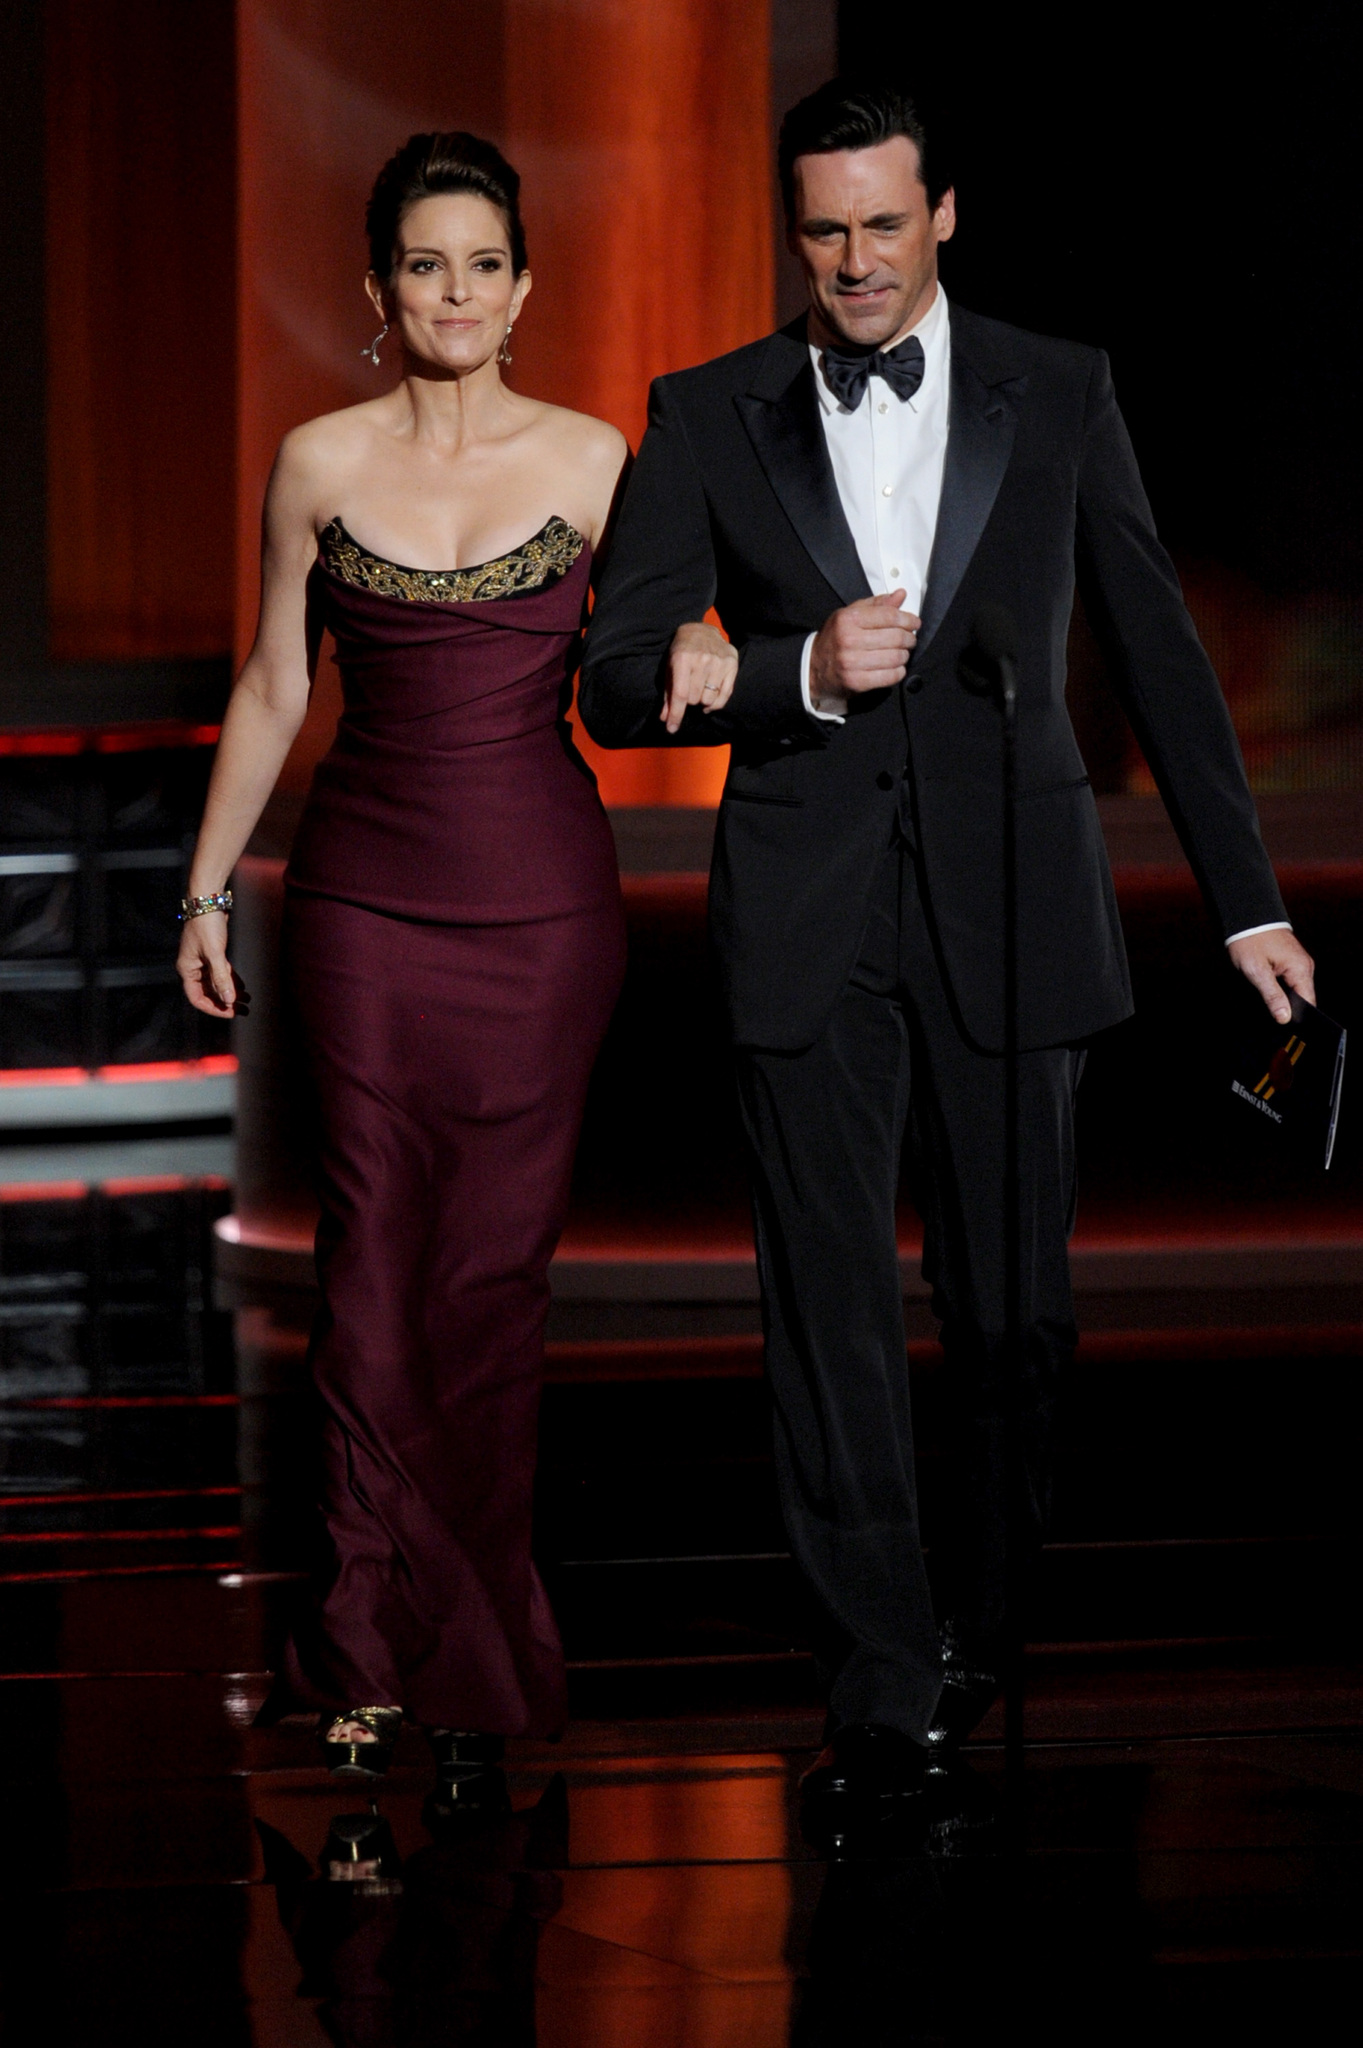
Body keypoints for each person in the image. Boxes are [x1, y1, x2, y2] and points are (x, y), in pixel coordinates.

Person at [579, 80, 1314, 1826]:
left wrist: (1249, 895)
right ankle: (881, 1673)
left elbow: (1157, 644)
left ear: (946, 215)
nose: (851, 259)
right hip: (807, 919)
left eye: (883, 225)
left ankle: (982, 1612)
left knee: (1016, 1318)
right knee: (828, 1318)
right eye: (822, 228)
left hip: (1014, 899)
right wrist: (799, 672)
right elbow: (614, 677)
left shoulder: (1058, 388)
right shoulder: (704, 411)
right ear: (792, 227)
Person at [178, 132, 629, 1791]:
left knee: (490, 1286)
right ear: (381, 290)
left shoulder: (602, 460)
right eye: (425, 265)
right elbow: (273, 689)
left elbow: (655, 660)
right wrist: (207, 892)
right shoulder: (313, 458)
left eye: (485, 263)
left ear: (526, 286)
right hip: (364, 913)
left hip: (542, 921)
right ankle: (364, 1647)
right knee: (369, 1274)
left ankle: (476, 1649)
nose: (457, 292)